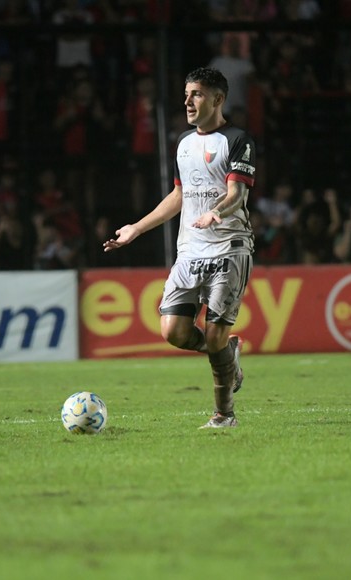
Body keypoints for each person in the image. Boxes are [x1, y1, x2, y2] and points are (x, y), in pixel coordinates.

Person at [103, 67, 254, 429]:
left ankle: (224, 415)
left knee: (215, 332)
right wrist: (136, 229)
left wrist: (215, 212)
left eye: (197, 94)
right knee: (173, 331)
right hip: (190, 250)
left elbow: (237, 194)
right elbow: (179, 195)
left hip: (228, 248)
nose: (187, 101)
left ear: (218, 99)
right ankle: (227, 357)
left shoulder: (237, 139)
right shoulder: (184, 143)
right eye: (186, 94)